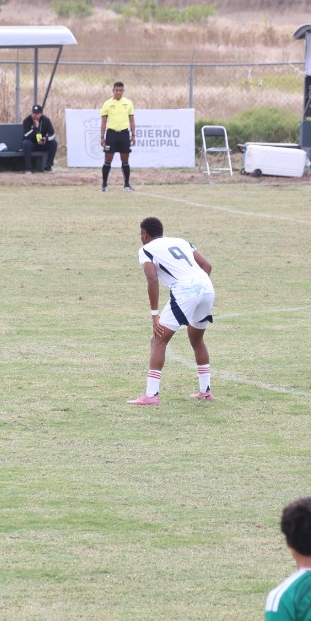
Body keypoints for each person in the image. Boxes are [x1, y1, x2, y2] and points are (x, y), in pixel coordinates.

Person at [130, 216, 215, 406]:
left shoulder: (146, 249)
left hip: (185, 290)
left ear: (144, 234)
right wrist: (197, 288)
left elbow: (152, 279)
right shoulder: (181, 241)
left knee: (158, 338)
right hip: (206, 287)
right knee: (196, 338)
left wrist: (154, 314)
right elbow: (207, 266)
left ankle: (151, 395)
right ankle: (205, 391)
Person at [99, 82, 135, 191]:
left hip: (124, 134)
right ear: (113, 91)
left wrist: (133, 135)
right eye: (116, 90)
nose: (118, 92)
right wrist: (102, 137)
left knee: (125, 159)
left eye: (120, 90)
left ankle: (127, 184)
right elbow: (104, 122)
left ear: (123, 91)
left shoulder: (128, 103)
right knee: (108, 159)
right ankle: (104, 185)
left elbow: (132, 120)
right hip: (111, 134)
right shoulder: (107, 104)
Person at [21, 104, 57, 173]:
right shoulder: (27, 120)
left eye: (37, 113)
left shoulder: (46, 120)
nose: (34, 115)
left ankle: (48, 167)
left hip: (42, 142)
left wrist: (46, 138)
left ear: (41, 114)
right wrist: (34, 128)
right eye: (33, 113)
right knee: (26, 143)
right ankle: (28, 168)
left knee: (53, 143)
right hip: (32, 143)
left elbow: (52, 134)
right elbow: (26, 135)